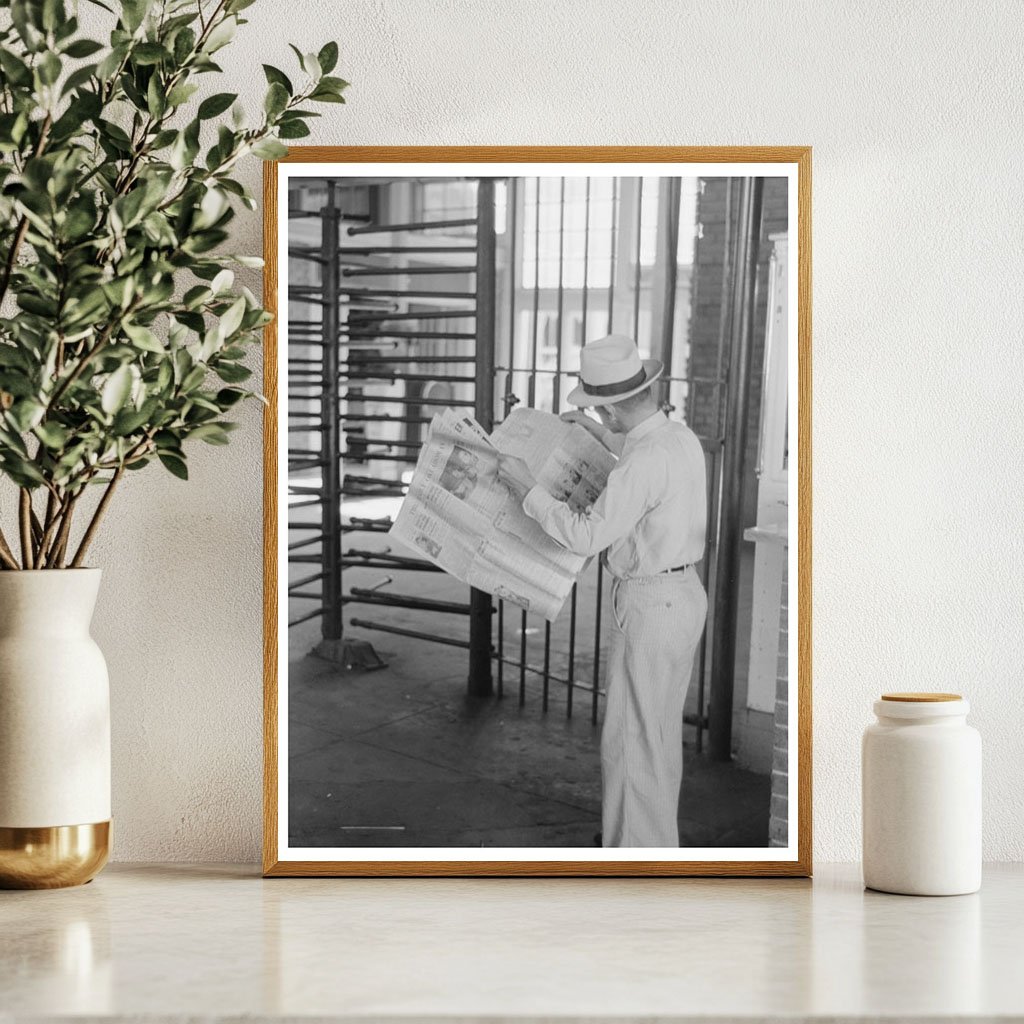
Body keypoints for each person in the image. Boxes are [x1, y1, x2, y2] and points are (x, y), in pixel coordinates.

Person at [496, 334, 708, 848]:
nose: (598, 416)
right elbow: (639, 458)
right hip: (683, 597)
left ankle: (632, 863)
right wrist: (595, 431)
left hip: (649, 604)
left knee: (631, 742)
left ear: (612, 408)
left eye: (598, 411)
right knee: (656, 737)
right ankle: (653, 847)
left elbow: (586, 534)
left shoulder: (641, 461)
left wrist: (529, 490)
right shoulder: (679, 438)